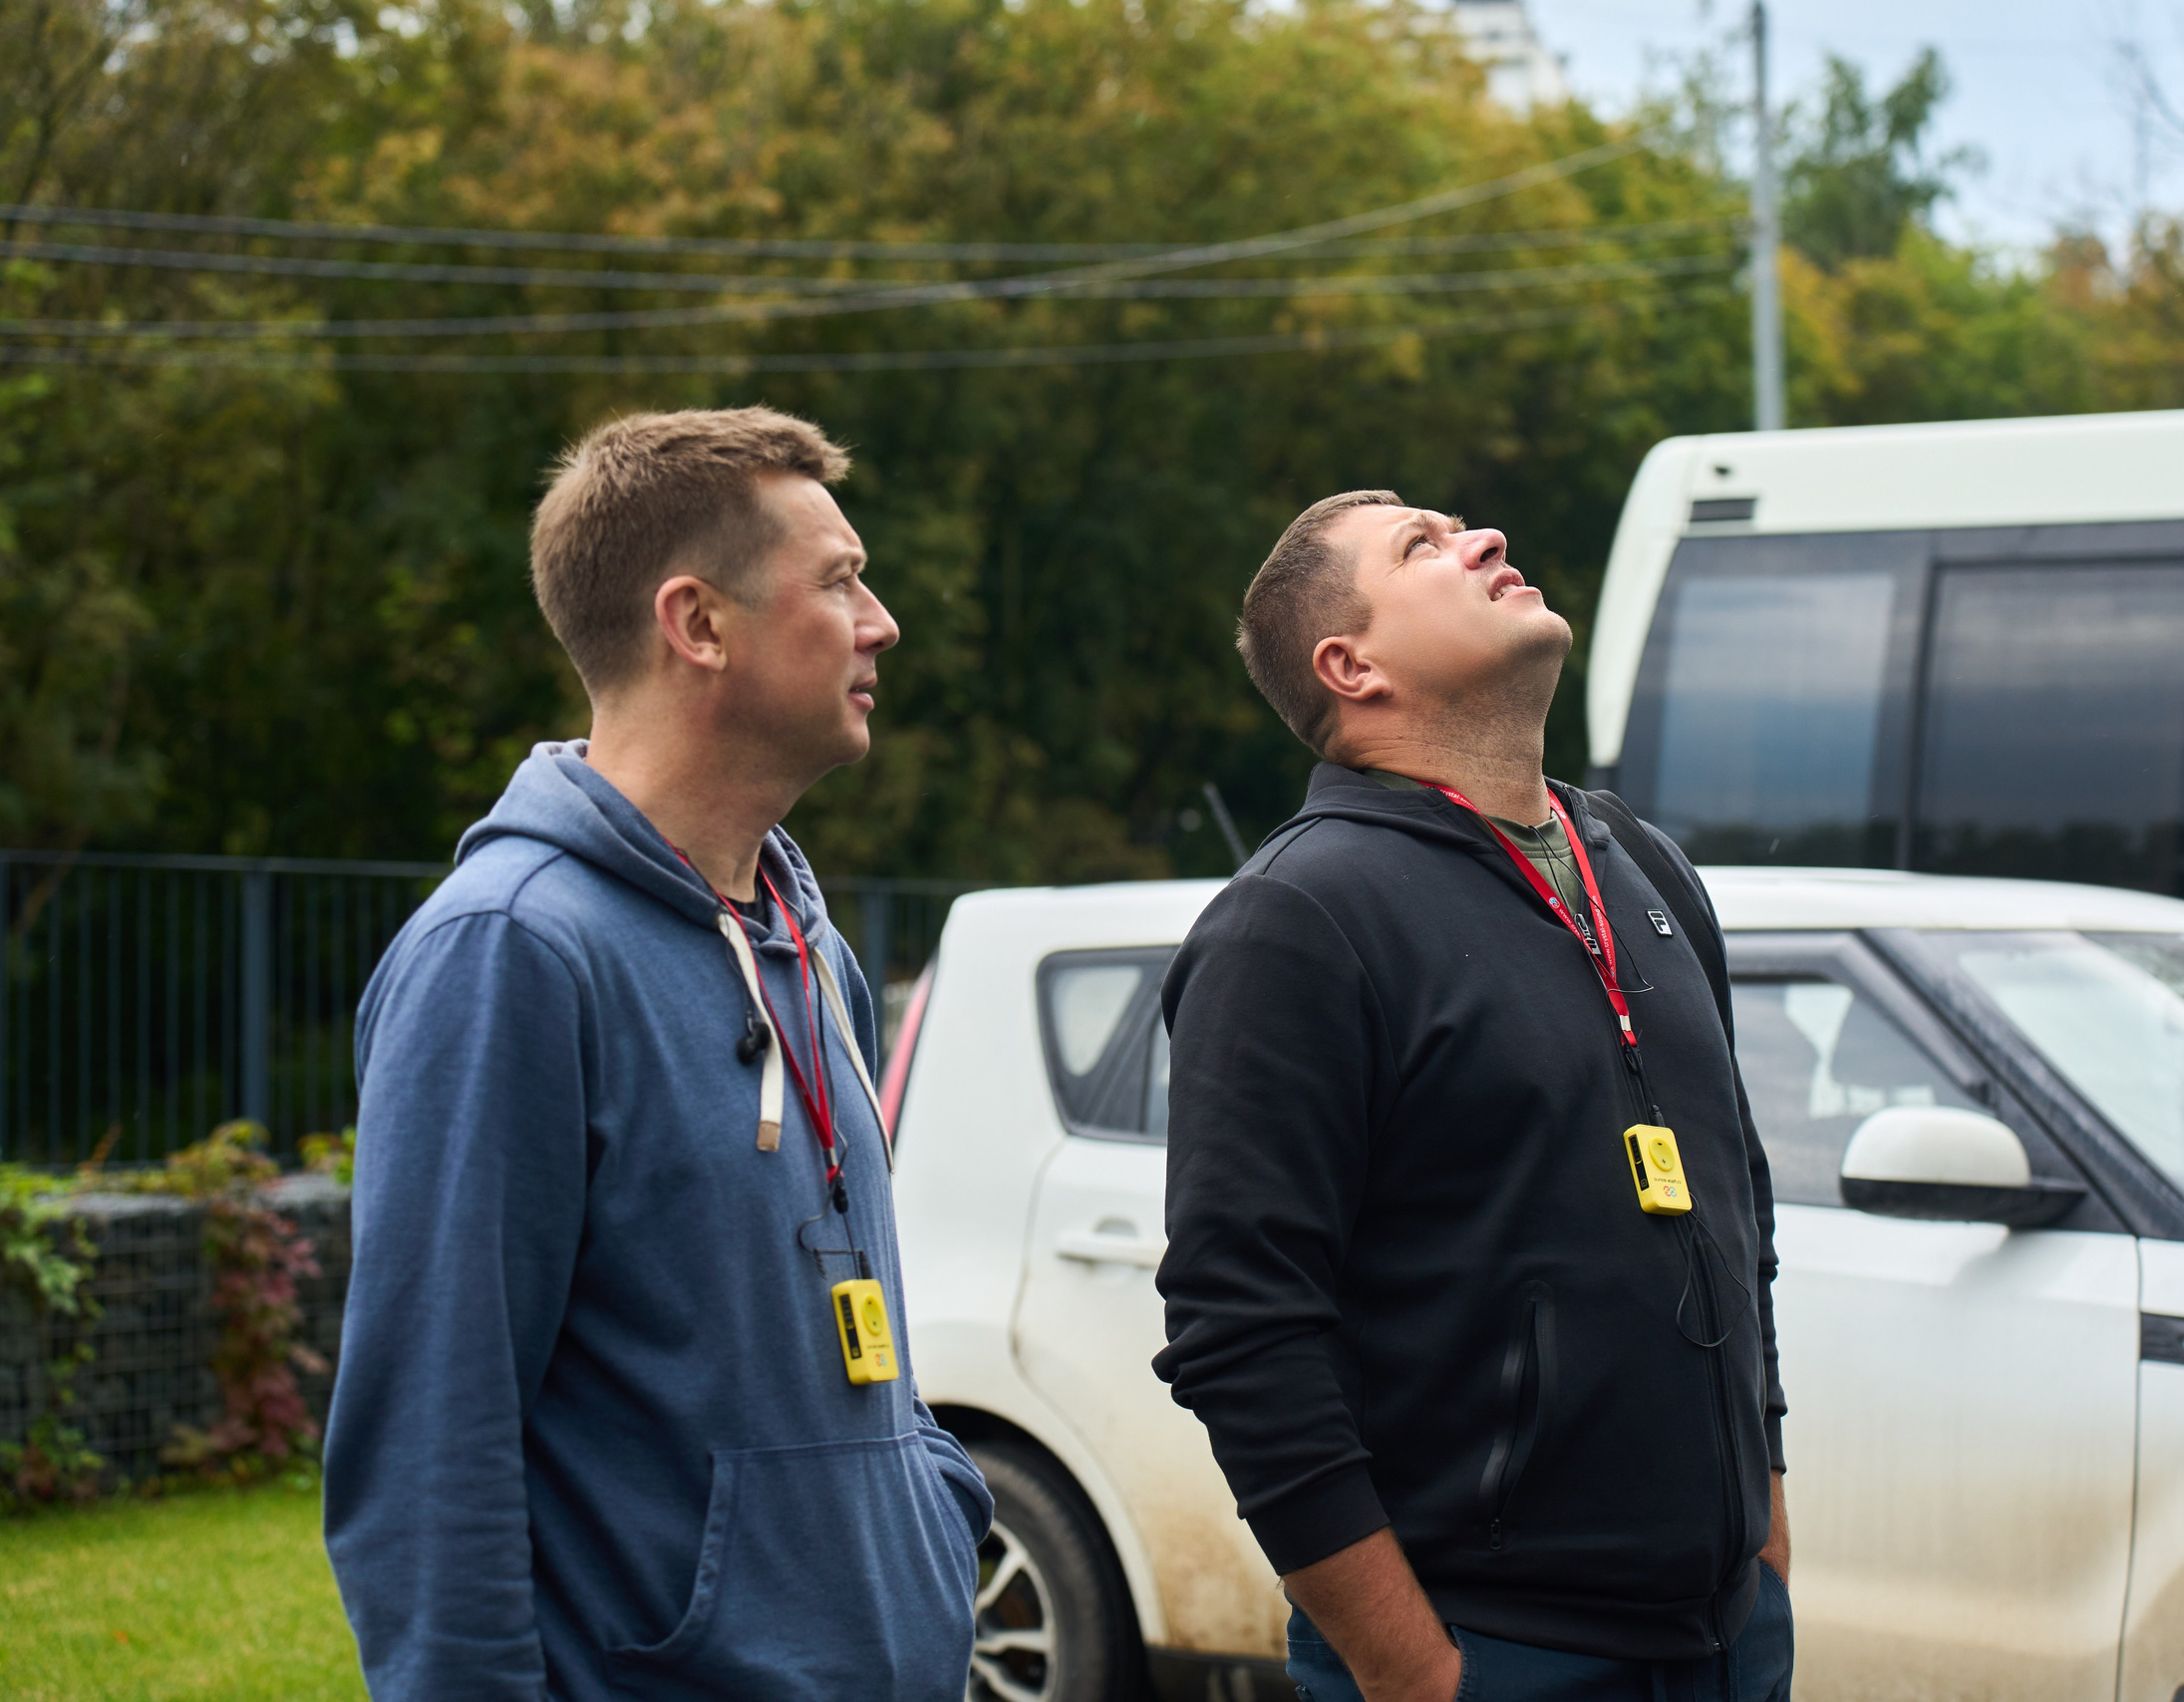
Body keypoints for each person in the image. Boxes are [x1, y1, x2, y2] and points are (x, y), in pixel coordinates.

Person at [326, 408, 989, 1702]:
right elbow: (429, 1448)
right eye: (839, 581)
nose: (883, 622)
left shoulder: (808, 946)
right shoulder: (509, 951)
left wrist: (928, 1515)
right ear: (698, 623)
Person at [1152, 491, 1791, 1702]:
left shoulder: (1645, 868)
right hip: (1490, 1652)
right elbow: (1242, 1332)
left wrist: (1764, 1538)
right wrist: (1411, 1673)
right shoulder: (1297, 921)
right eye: (1422, 548)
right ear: (1351, 667)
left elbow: (1738, 1211)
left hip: (1727, 1636)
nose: (1486, 540)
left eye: (1461, 529)